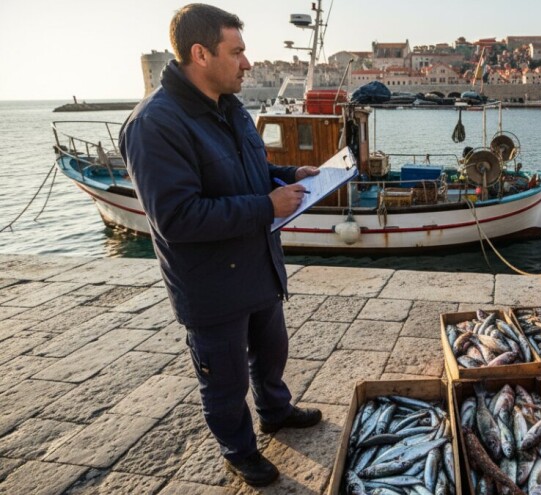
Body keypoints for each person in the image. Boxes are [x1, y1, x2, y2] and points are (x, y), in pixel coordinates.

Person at [119, 4, 322, 487]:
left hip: (257, 268)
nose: (248, 63)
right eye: (238, 52)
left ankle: (275, 410)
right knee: (225, 381)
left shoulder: (229, 107)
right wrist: (265, 208)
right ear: (200, 54)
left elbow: (248, 173)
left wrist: (289, 176)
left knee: (271, 352)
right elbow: (177, 218)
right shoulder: (154, 125)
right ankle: (239, 450)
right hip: (211, 284)